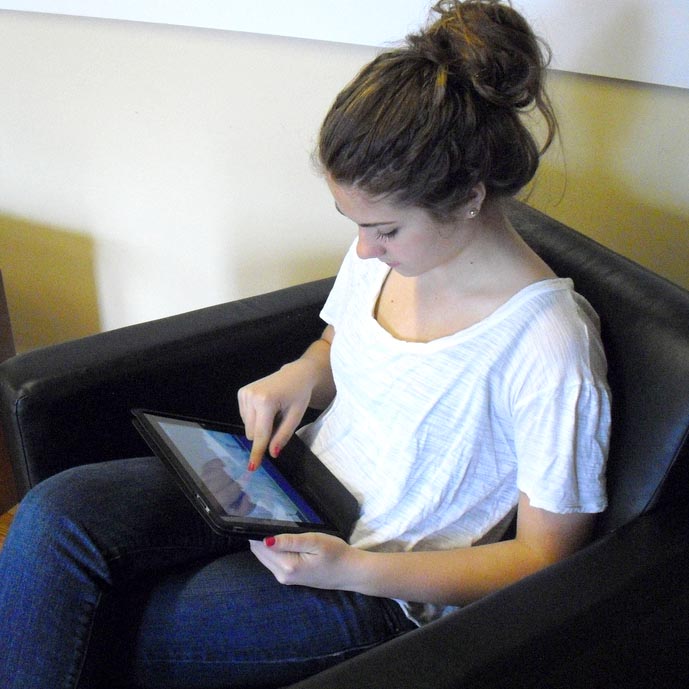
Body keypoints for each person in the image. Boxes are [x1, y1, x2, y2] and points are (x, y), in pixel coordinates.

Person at [0, 1, 610, 687]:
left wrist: (353, 568)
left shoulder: (548, 347)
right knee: (55, 515)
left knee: (95, 622)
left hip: (375, 589)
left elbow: (544, 557)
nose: (362, 248)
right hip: (288, 487)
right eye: (353, 222)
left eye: (382, 229)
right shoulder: (388, 256)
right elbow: (333, 347)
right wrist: (297, 373)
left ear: (469, 197)